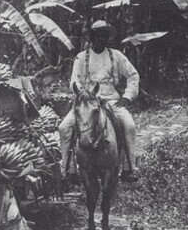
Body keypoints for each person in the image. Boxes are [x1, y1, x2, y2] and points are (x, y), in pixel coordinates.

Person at [58, 20, 140, 182]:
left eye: (104, 36)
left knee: (129, 125)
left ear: (107, 38)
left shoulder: (116, 56)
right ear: (92, 37)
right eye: (97, 36)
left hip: (110, 100)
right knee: (64, 127)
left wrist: (127, 96)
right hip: (87, 102)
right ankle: (68, 170)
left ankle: (129, 168)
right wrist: (83, 95)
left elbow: (133, 75)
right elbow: (75, 81)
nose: (100, 39)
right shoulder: (81, 58)